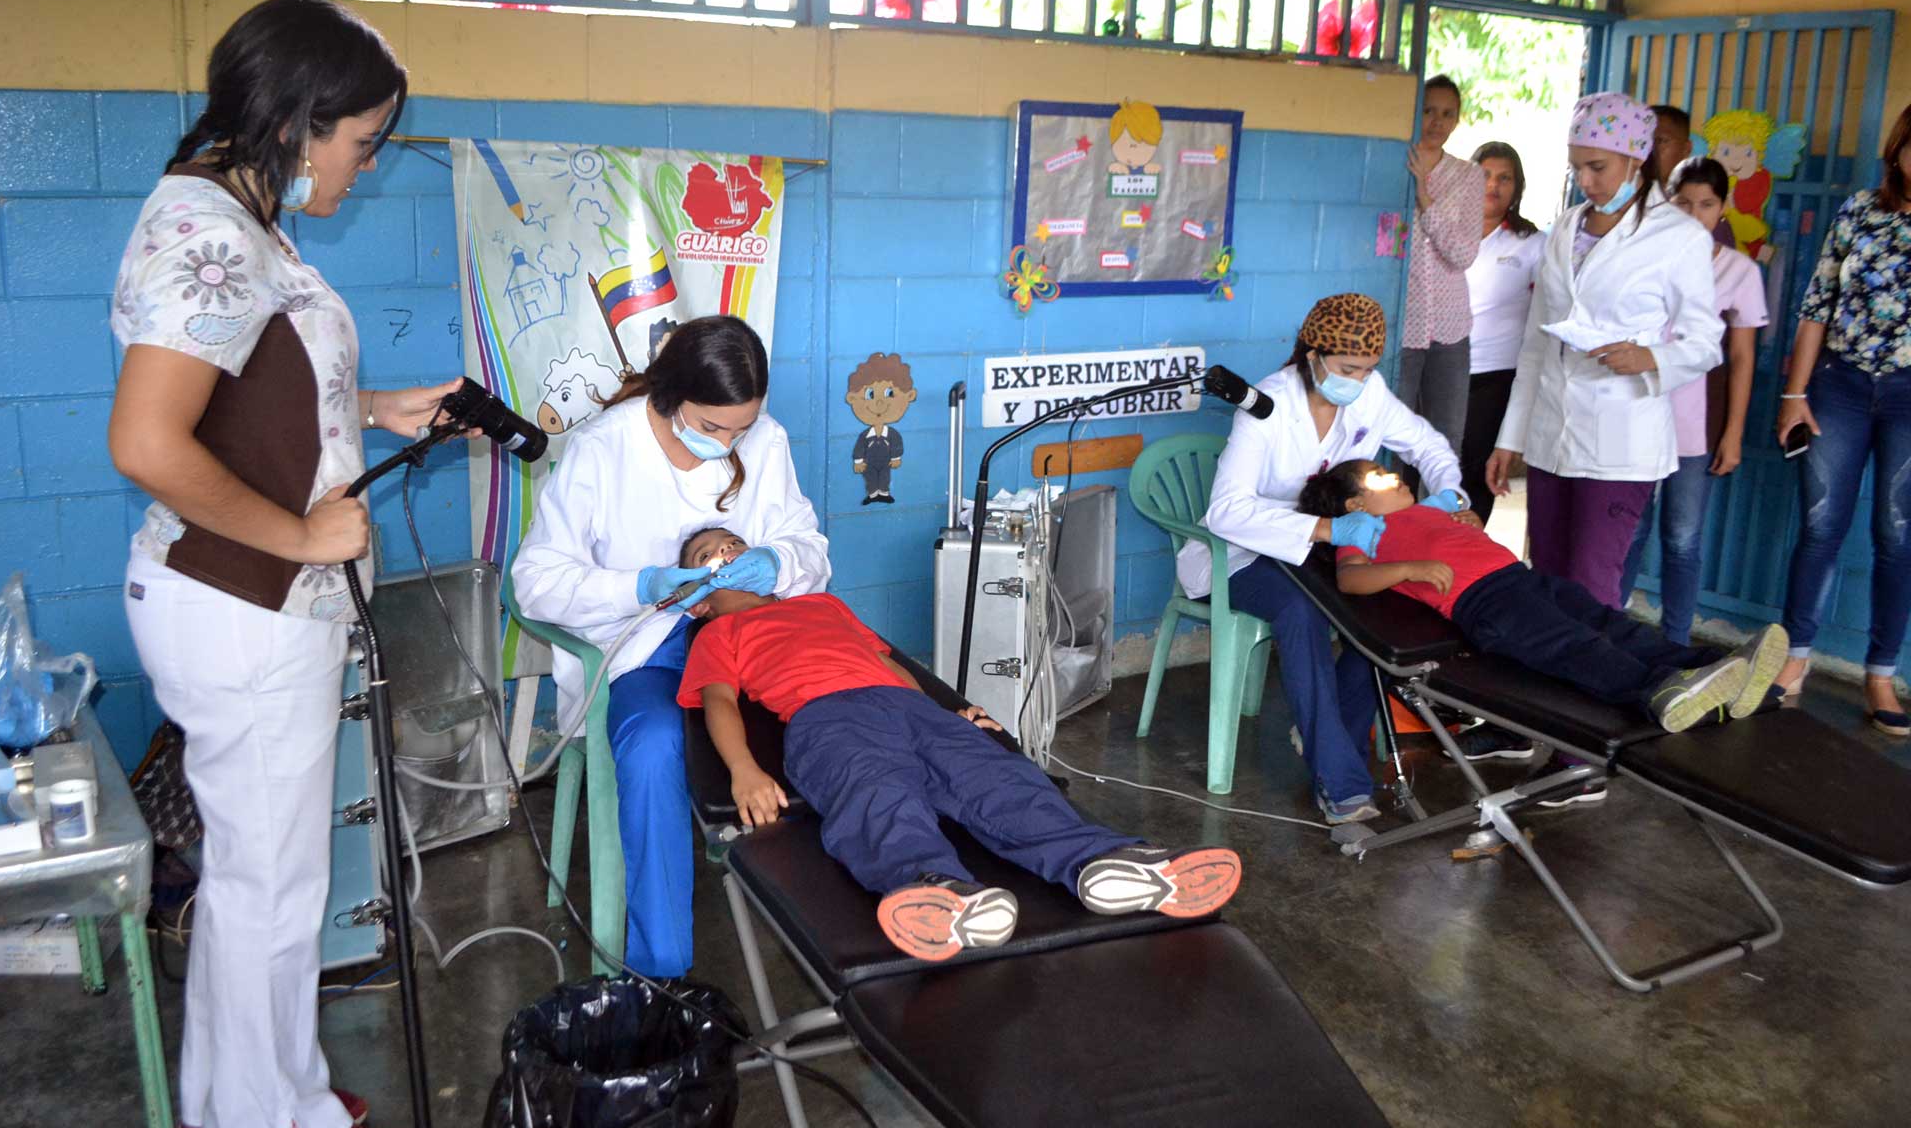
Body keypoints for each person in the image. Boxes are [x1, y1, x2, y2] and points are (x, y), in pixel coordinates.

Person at [108, 0, 463, 1128]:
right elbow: (150, 441)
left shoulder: (241, 218)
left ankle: (227, 1098)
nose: (362, 167)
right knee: (275, 888)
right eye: (361, 140)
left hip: (247, 602)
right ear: (303, 121)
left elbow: (245, 386)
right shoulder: (209, 227)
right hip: (247, 605)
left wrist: (372, 407)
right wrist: (305, 537)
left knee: (253, 878)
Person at [675, 526, 1242, 961]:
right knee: (877, 794)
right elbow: (720, 701)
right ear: (697, 599)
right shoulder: (717, 631)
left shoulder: (822, 604)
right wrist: (744, 770)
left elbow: (888, 662)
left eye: (736, 544)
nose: (730, 556)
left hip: (910, 709)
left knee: (998, 778)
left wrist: (949, 708)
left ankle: (1105, 862)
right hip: (826, 720)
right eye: (712, 557)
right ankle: (936, 890)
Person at [512, 317, 831, 975]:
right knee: (654, 744)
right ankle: (662, 969)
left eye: (742, 427)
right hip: (644, 648)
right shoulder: (604, 450)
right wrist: (640, 586)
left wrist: (777, 564)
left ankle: (852, 931)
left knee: (839, 712)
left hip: (752, 638)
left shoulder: (763, 441)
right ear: (667, 395)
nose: (729, 444)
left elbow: (811, 552)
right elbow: (535, 583)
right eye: (712, 428)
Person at [1177, 293, 1516, 826]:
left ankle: (1328, 728)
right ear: (1311, 355)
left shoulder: (1369, 394)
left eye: (1367, 369)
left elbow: (1427, 444)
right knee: (1303, 612)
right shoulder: (1267, 405)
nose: (1356, 381)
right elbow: (1226, 511)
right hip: (1244, 553)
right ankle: (1341, 783)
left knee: (1379, 610)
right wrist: (1331, 526)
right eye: (1346, 369)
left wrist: (1450, 495)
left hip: (1321, 550)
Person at [1297, 459, 1786, 734]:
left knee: (1612, 626)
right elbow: (1351, 580)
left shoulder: (1425, 510)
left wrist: (1460, 524)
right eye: (1378, 478)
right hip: (1486, 603)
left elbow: (1450, 537)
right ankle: (1659, 690)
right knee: (1578, 647)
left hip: (1522, 578)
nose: (1394, 475)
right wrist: (1410, 568)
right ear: (1356, 503)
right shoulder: (1363, 528)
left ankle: (1715, 667)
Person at [1484, 92, 1725, 612]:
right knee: (1545, 574)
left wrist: (1651, 358)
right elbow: (1535, 342)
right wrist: (1511, 437)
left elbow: (1706, 341)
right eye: (1576, 168)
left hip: (1622, 441)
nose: (1586, 181)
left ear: (1636, 159)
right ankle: (1544, 687)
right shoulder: (1566, 228)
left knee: (1593, 583)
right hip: (1552, 431)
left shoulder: (1677, 236)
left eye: (1597, 167)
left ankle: (1589, 692)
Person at [1773, 102, 1911, 735]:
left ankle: (1880, 674)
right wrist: (1794, 394)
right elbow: (1816, 305)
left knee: (1897, 537)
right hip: (1840, 387)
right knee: (1821, 528)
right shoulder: (1860, 210)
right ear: (1898, 150)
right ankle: (1792, 662)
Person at [1617, 157, 1768, 643]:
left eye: (1706, 204)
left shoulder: (1740, 272)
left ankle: (1675, 643)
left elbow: (1742, 359)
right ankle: (1607, 630)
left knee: (1682, 539)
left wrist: (1734, 433)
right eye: (1683, 202)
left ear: (1722, 208)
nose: (1693, 213)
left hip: (1697, 428)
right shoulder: (1643, 258)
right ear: (1666, 199)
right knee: (1627, 532)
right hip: (1636, 415)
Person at [1398, 75, 1488, 475]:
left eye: (1447, 113)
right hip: (1399, 324)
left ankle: (1437, 525)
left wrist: (1425, 200)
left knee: (1446, 436)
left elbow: (1463, 253)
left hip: (1450, 326)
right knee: (1390, 434)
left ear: (1457, 120)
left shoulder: (1469, 176)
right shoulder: (1394, 162)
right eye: (1428, 110)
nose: (1437, 121)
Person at [1460, 141, 1546, 523]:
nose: (1493, 185)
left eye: (1504, 178)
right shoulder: (1444, 230)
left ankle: (1468, 560)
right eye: (1484, 175)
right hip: (1440, 369)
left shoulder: (1531, 244)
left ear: (1517, 187)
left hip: (1494, 375)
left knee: (1477, 471)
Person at [1651, 104, 1735, 250]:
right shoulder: (1625, 199)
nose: (1650, 150)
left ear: (1686, 149)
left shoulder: (1714, 226)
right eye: (1643, 142)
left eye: (1661, 141)